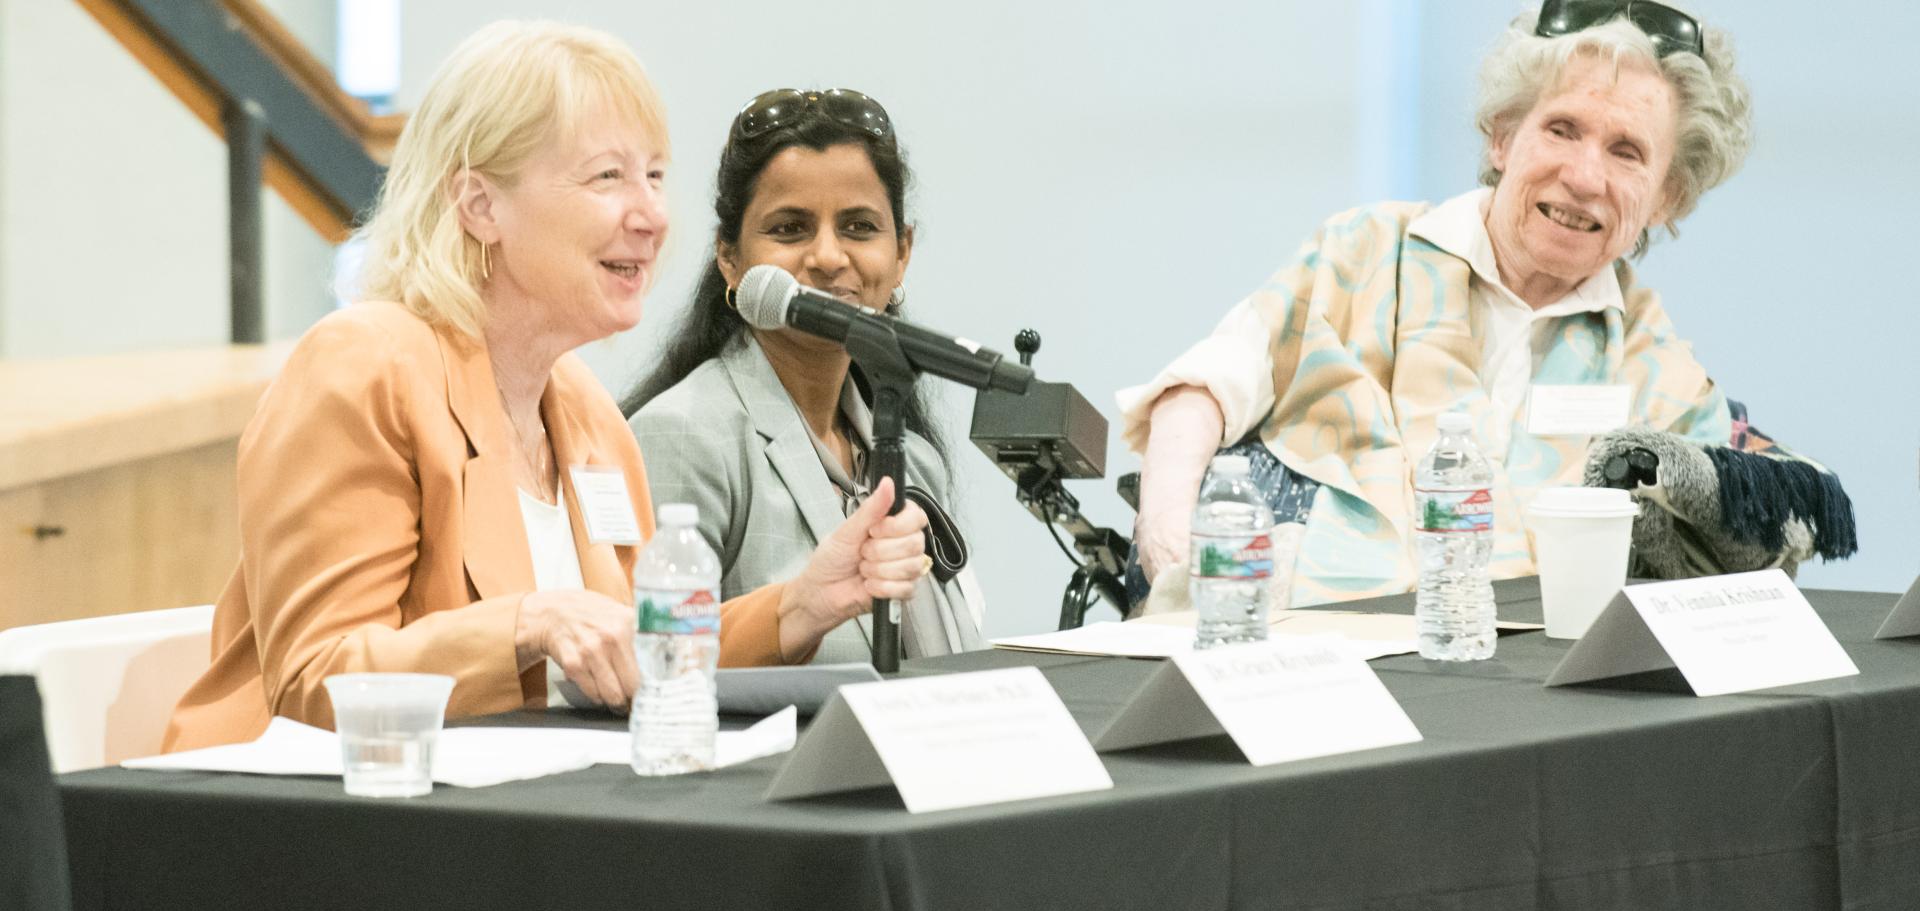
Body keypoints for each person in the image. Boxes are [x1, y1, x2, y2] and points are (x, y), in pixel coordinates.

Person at [167, 25, 932, 751]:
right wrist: (524, 625)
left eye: (655, 177)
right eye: (609, 177)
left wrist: (801, 604)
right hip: (317, 833)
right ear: (479, 205)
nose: (653, 217)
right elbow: (318, 683)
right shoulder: (364, 365)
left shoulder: (585, 412)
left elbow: (632, 650)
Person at [1119, 0, 1854, 613]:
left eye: (1627, 151)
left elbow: (1742, 529)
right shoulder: (1366, 252)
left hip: (1524, 689)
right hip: (1316, 637)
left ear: (1667, 198)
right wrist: (1173, 555)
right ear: (1503, 137)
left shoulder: (1652, 357)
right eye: (1561, 129)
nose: (1583, 176)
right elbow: (1204, 389)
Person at [624, 89, 985, 666]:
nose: (826, 257)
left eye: (859, 227)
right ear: (729, 258)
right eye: (790, 229)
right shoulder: (683, 436)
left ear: (902, 254)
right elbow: (650, 663)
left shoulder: (915, 462)